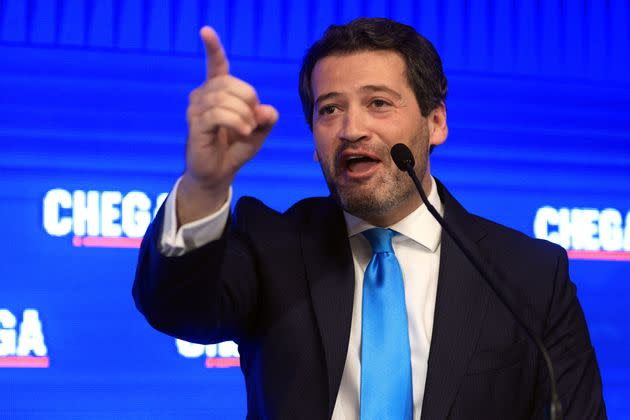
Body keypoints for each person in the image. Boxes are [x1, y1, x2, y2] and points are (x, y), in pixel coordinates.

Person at [133, 18, 606, 419]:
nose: (351, 129)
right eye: (329, 109)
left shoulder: (528, 275)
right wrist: (206, 185)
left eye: (378, 103)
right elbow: (179, 309)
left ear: (436, 122)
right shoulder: (270, 245)